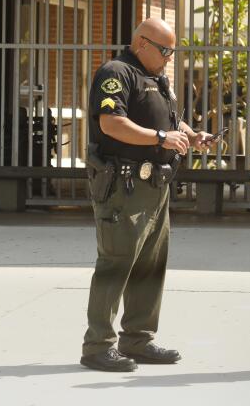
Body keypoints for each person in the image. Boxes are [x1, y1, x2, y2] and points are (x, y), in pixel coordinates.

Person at [80, 18, 217, 373]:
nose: (170, 57)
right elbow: (111, 123)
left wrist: (191, 134)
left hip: (156, 187)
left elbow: (172, 122)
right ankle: (98, 346)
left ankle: (138, 339)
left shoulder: (157, 79)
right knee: (116, 263)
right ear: (142, 43)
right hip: (125, 187)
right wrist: (160, 138)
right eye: (165, 50)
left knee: (150, 266)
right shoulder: (117, 72)